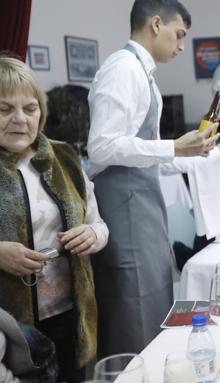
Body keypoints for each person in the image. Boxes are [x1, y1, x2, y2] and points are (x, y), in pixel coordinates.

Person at [87, 0, 219, 357]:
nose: (180, 47)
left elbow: (147, 156)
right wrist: (173, 147)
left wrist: (206, 157)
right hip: (124, 202)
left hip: (141, 200)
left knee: (154, 294)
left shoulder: (142, 74)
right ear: (156, 24)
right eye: (179, 36)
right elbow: (100, 147)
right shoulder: (124, 70)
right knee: (135, 303)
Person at [0, 55, 109, 382]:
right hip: (10, 327)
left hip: (72, 315)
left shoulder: (64, 157)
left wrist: (92, 233)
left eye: (30, 108)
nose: (20, 119)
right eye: (5, 109)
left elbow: (99, 226)